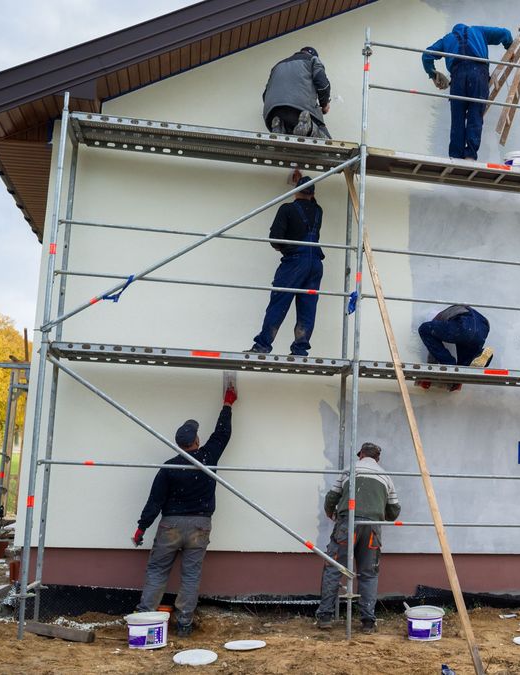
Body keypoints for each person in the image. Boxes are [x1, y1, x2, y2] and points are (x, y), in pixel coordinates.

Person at [131, 386, 236, 637]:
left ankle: (144, 617)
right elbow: (222, 434)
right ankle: (184, 624)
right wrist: (227, 404)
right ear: (196, 442)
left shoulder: (168, 467)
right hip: (200, 525)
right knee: (191, 575)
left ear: (178, 445)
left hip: (171, 525)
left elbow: (154, 501)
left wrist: (141, 527)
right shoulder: (207, 456)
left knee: (157, 571)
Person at [316, 442, 401, 634]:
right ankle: (368, 622)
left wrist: (331, 512)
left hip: (347, 525)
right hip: (371, 529)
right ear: (378, 458)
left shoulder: (349, 470)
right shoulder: (385, 476)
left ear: (360, 455)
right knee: (368, 573)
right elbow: (394, 510)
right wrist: (378, 515)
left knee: (334, 568)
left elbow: (331, 497)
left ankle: (326, 617)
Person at [248, 174, 324, 355]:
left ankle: (263, 345)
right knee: (307, 307)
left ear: (295, 192)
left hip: (295, 263)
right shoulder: (318, 211)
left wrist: (283, 248)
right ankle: (300, 349)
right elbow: (311, 204)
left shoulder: (287, 209)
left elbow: (275, 239)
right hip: (315, 265)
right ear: (313, 194)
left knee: (279, 303)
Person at [422, 24, 514, 160]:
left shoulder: (447, 39)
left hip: (457, 75)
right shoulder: (478, 31)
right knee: (475, 114)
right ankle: (470, 155)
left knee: (457, 117)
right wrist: (509, 48)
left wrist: (433, 73)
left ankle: (455, 156)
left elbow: (426, 55)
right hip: (478, 73)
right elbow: (505, 34)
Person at [263, 46, 331, 138]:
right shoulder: (313, 59)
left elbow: (265, 95)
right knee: (326, 139)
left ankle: (279, 127)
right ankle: (308, 127)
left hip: (272, 112)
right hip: (299, 110)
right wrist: (324, 104)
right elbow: (323, 84)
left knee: (287, 135)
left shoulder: (277, 66)